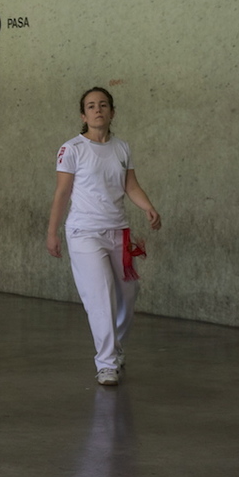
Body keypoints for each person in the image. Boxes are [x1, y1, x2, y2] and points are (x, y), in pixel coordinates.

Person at [46, 87, 161, 386]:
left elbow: (130, 185)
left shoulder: (122, 148)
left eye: (103, 105)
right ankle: (106, 363)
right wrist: (52, 232)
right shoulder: (72, 149)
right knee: (100, 296)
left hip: (118, 232)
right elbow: (62, 192)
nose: (98, 110)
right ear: (83, 116)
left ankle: (115, 347)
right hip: (84, 232)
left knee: (128, 294)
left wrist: (148, 206)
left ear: (112, 112)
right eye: (91, 106)